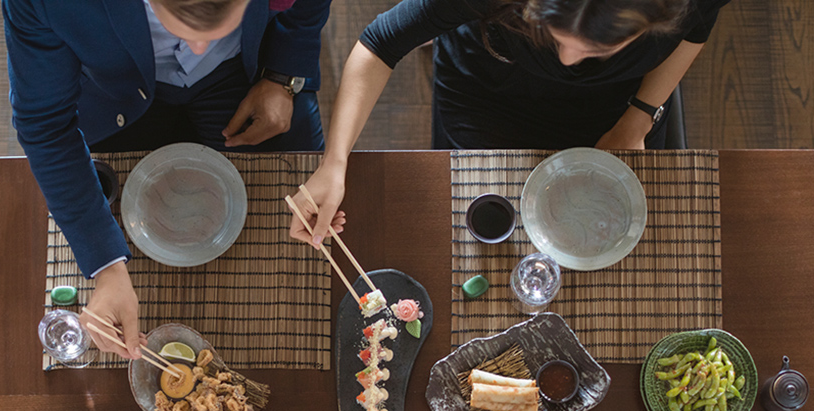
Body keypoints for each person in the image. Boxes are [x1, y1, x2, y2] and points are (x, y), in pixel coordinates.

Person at [4, 0, 335, 358]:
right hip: (113, 91)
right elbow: (46, 126)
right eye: (184, 26)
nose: (198, 48)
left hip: (246, 70)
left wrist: (283, 76)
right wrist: (105, 265)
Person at [290, 0, 730, 247]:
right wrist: (335, 163)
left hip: (621, 100)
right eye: (557, 38)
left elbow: (697, 29)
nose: (567, 60)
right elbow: (380, 43)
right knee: (476, 221)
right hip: (489, 87)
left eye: (594, 49)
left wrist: (638, 118)